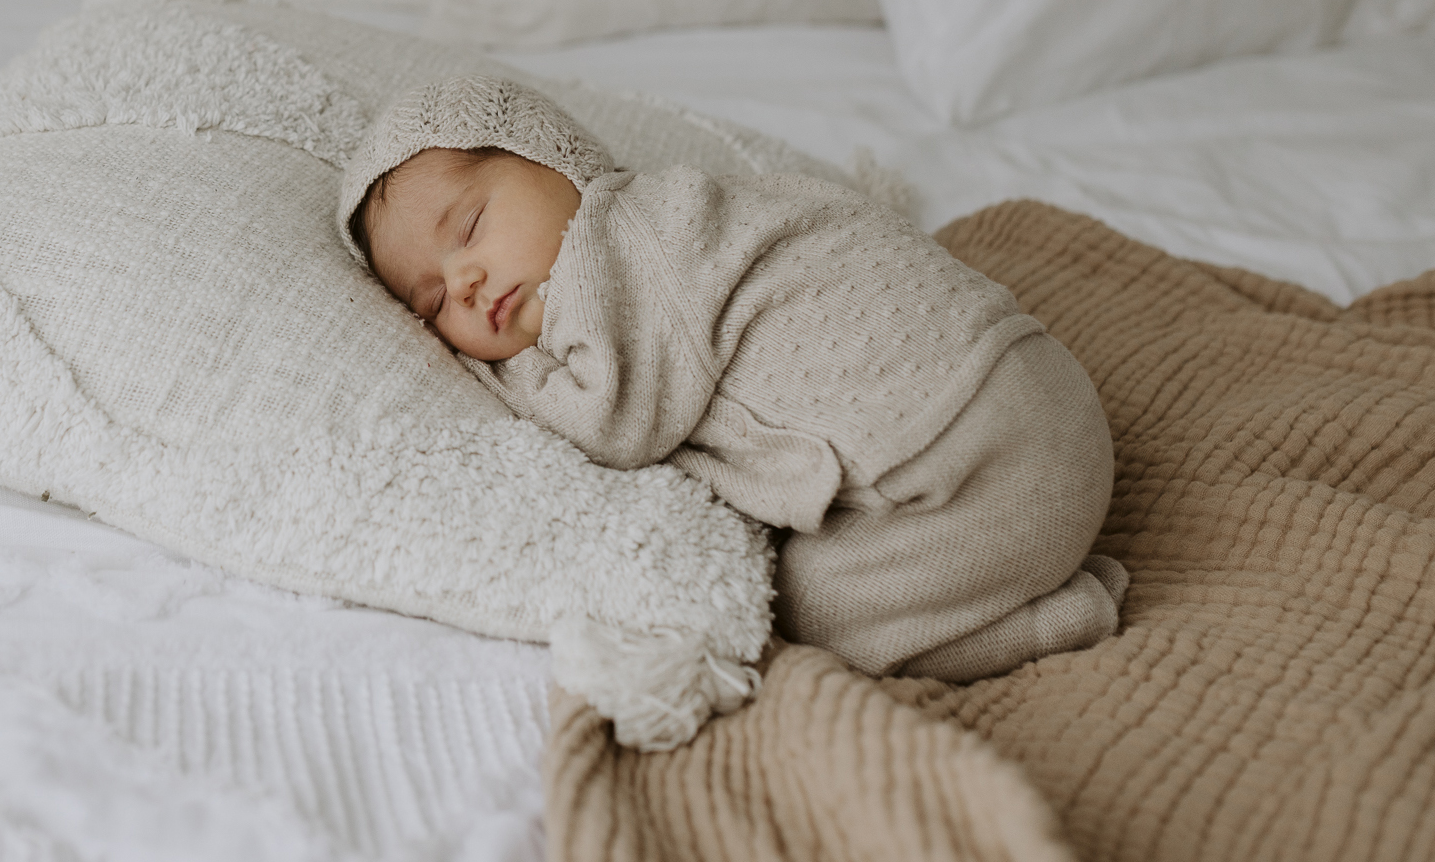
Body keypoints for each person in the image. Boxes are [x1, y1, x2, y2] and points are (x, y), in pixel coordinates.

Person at [338, 75, 1126, 682]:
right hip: (1026, 394)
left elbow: (611, 424)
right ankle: (1022, 572)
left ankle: (1048, 624)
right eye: (433, 300)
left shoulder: (618, 244)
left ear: (555, 160)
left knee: (806, 608)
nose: (466, 281)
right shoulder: (684, 214)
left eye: (469, 228)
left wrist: (498, 381)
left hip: (974, 454)